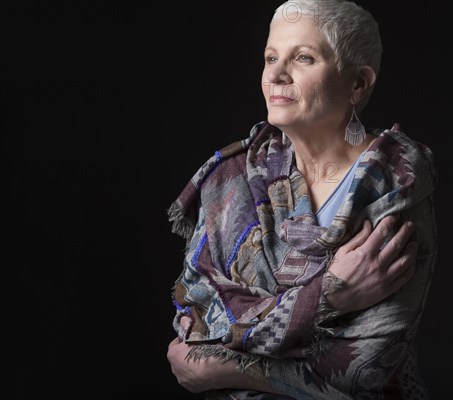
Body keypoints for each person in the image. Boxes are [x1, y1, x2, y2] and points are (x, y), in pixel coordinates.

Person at [166, 1, 438, 398]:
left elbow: (363, 369)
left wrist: (229, 368)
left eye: (303, 58)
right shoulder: (229, 179)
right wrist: (331, 296)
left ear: (357, 83)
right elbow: (197, 323)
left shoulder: (394, 182)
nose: (276, 74)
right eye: (270, 57)